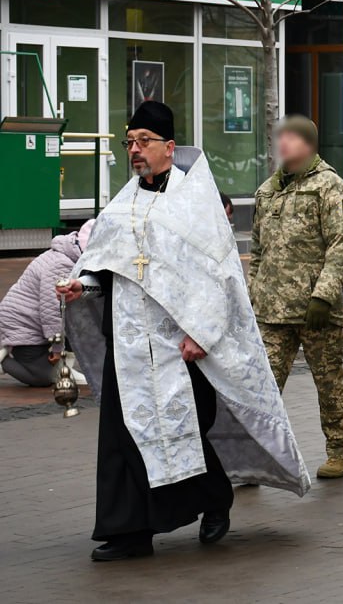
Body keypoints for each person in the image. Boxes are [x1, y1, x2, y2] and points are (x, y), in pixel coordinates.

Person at [58, 101, 308, 561]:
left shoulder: (196, 204)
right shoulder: (122, 205)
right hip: (129, 347)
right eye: (130, 142)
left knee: (183, 432)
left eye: (144, 141)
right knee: (124, 438)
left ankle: (215, 498)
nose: (135, 150)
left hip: (179, 346)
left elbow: (219, 276)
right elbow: (105, 267)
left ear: (169, 147)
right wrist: (83, 285)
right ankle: (129, 533)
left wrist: (202, 334)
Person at [251, 116, 343, 480]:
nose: (284, 144)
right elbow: (258, 252)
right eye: (281, 138)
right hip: (272, 312)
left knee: (329, 383)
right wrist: (254, 295)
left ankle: (340, 450)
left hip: (316, 312)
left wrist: (323, 296)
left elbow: (342, 247)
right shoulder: (266, 191)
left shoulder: (331, 187)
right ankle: (255, 455)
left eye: (292, 138)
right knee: (262, 388)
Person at [0, 220, 93, 387]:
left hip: (35, 324)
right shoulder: (61, 265)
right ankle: (5, 361)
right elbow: (54, 312)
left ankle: (64, 368)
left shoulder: (69, 255)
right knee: (43, 378)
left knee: (82, 322)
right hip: (21, 326)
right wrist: (58, 349)